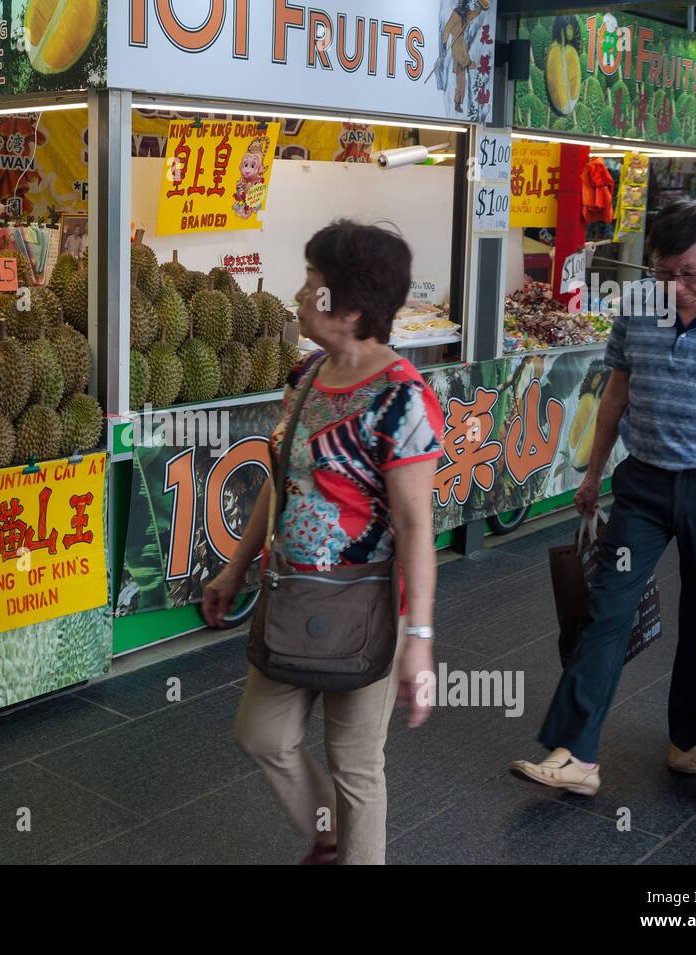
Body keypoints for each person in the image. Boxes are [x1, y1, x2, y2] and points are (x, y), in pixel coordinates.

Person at [511, 198, 696, 797]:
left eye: (689, 274)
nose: (676, 288)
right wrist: (592, 474)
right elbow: (616, 391)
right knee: (607, 607)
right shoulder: (639, 304)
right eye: (664, 273)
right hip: (643, 483)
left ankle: (688, 736)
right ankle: (577, 752)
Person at [203, 220, 445, 865]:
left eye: (314, 282)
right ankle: (329, 833)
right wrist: (234, 569)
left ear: (352, 307)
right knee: (262, 733)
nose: (301, 293)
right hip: (291, 592)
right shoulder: (308, 374)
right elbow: (281, 479)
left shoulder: (402, 399)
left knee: (355, 765)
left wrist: (420, 642)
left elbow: (416, 526)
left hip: (367, 606)